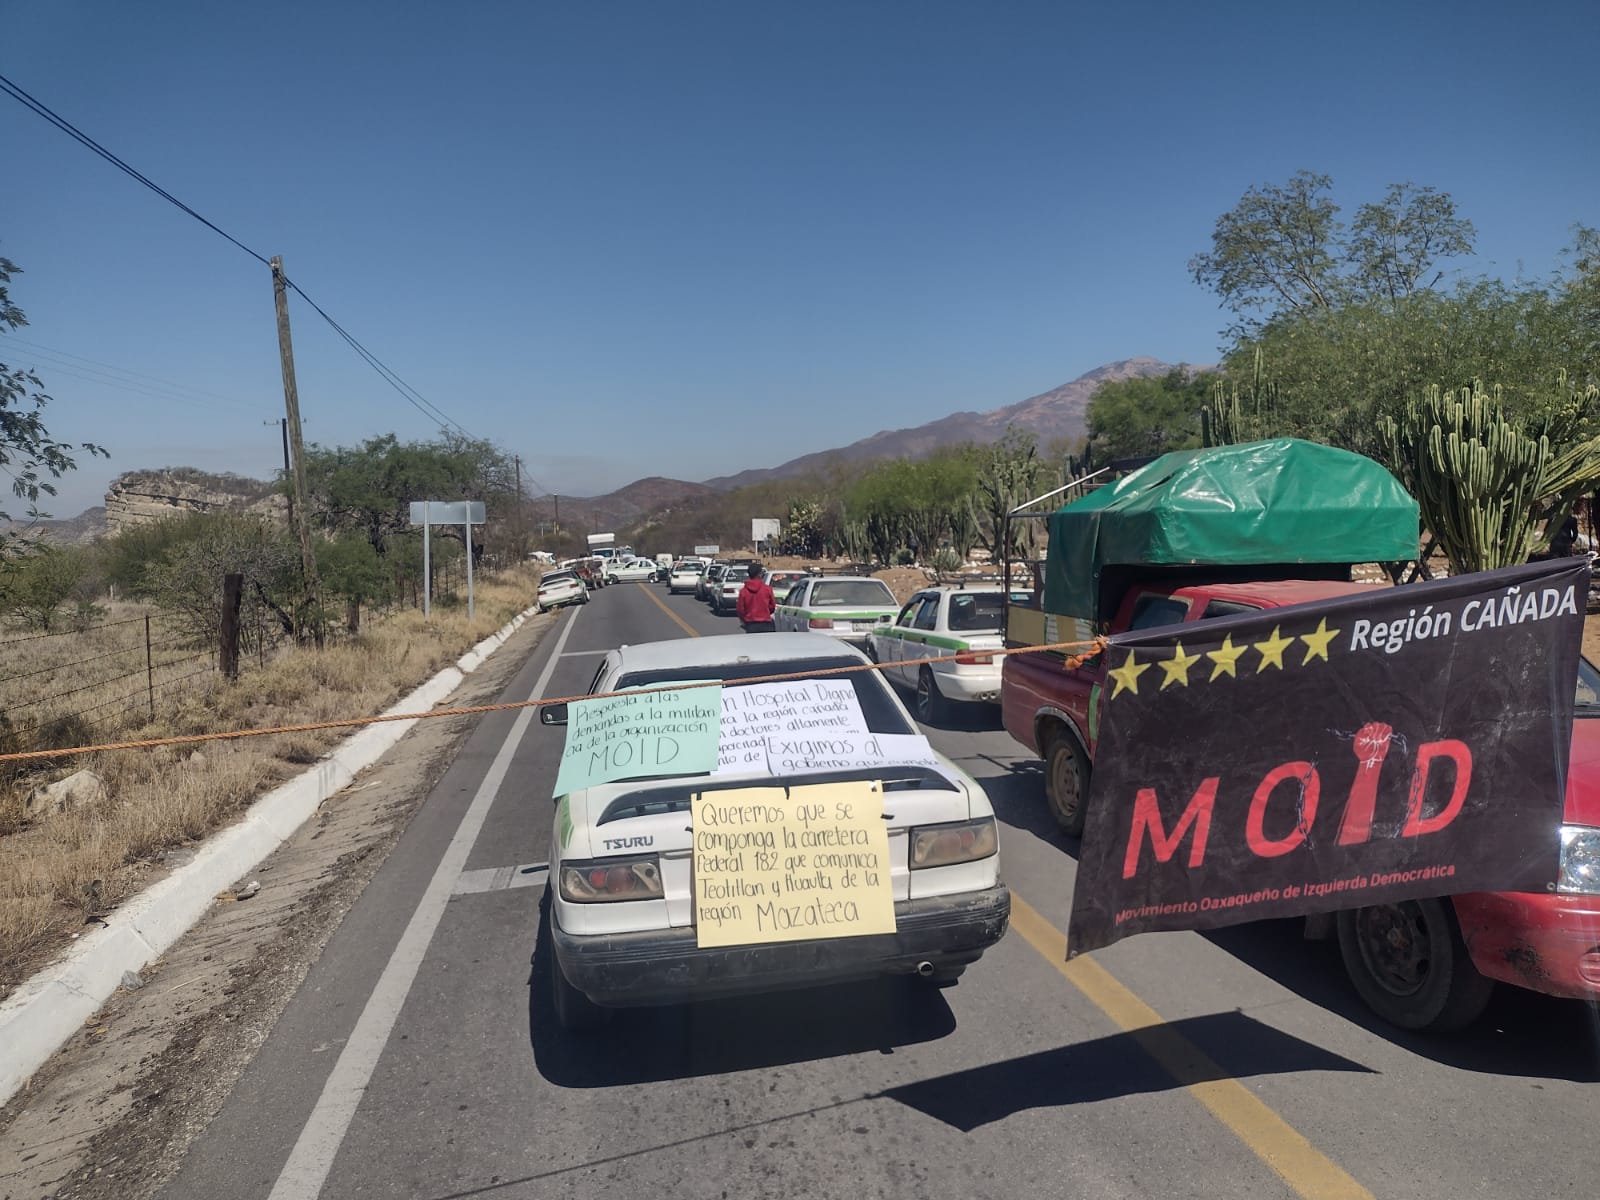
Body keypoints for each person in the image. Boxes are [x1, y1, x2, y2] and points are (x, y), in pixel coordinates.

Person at [737, 561, 776, 632]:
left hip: (751, 624)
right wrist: (765, 612)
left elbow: (740, 610)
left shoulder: (743, 591)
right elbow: (772, 606)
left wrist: (745, 619)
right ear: (759, 574)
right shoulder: (767, 589)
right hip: (766, 623)